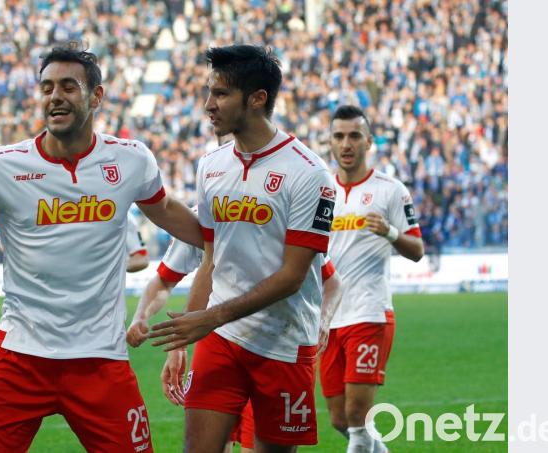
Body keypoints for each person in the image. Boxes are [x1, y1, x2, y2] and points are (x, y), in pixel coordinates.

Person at [0, 43, 202, 453]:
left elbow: (169, 212)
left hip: (100, 360)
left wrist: (233, 241)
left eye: (69, 86)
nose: (56, 96)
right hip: (19, 356)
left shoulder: (130, 161)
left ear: (96, 97)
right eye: (47, 87)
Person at [147, 44, 336, 452]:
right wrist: (182, 342)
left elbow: (292, 277)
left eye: (220, 94)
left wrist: (209, 317)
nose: (208, 104)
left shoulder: (309, 174)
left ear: (256, 99)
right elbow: (211, 260)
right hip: (222, 338)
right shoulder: (211, 166)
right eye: (209, 92)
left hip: (284, 343)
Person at [128, 230, 344, 453]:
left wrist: (324, 322)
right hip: (219, 344)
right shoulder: (205, 213)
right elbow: (169, 278)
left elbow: (332, 281)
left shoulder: (289, 216)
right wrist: (143, 319)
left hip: (277, 349)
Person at [321, 105, 424, 453]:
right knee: (339, 418)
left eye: (353, 136)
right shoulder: (320, 192)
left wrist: (391, 232)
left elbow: (418, 248)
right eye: (339, 136)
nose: (346, 144)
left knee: (356, 414)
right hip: (327, 319)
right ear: (330, 143)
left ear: (368, 142)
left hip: (370, 313)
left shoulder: (391, 190)